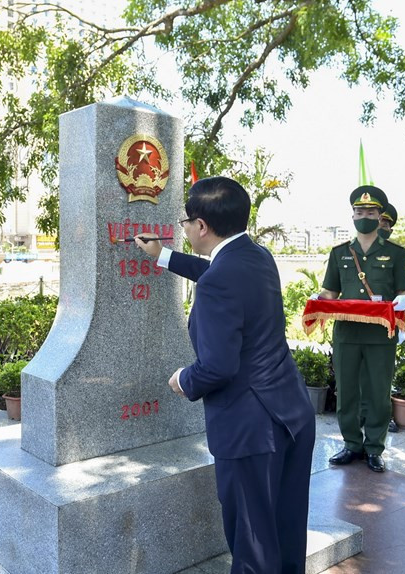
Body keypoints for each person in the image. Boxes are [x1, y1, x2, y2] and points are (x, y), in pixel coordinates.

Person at [135, 176, 315, 574]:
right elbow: (216, 270)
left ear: (201, 226)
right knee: (285, 530)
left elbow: (217, 367)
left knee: (253, 544)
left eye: (185, 222)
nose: (184, 228)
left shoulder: (220, 279)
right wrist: (164, 256)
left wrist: (183, 380)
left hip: (250, 428)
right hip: (291, 413)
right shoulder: (257, 256)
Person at [314, 186, 405, 473]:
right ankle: (351, 444)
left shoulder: (395, 253)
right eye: (359, 212)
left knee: (378, 392)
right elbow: (330, 292)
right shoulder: (340, 253)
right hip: (347, 333)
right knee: (347, 392)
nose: (365, 217)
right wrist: (318, 300)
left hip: (380, 334)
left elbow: (404, 290)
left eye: (370, 212)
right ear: (353, 216)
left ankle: (374, 448)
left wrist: (404, 301)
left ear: (380, 217)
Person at [358, 203, 401, 434]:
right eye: (380, 221)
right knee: (357, 378)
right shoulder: (353, 251)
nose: (381, 227)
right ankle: (359, 419)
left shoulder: (395, 254)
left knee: (380, 379)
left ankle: (381, 420)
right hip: (355, 326)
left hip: (384, 326)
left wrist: (401, 324)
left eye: (386, 224)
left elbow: (402, 292)